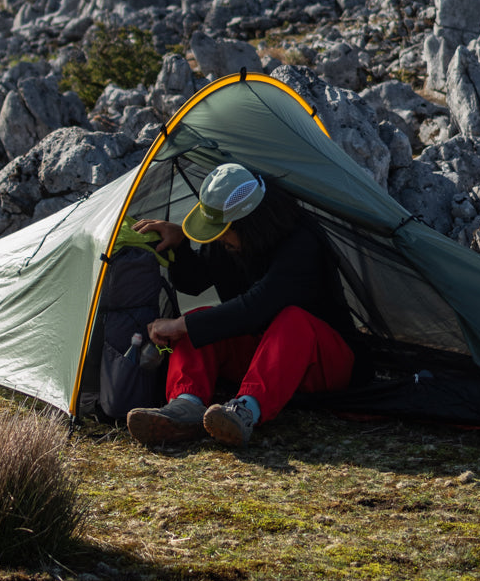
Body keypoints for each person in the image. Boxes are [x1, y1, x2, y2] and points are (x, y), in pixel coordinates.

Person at [125, 162, 361, 449]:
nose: (219, 239)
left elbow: (257, 307)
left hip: (325, 363)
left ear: (250, 224)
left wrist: (179, 323)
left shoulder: (301, 243)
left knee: (292, 319)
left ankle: (244, 411)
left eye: (223, 231)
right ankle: (184, 407)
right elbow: (194, 282)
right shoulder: (231, 240)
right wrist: (180, 244)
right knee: (198, 321)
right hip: (266, 358)